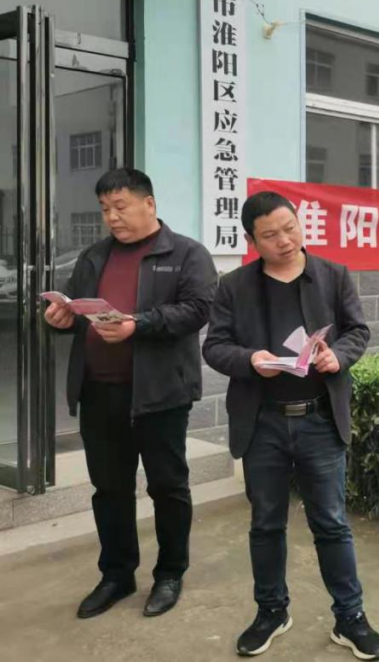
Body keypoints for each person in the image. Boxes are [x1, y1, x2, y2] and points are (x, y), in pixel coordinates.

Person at [202, 191, 379, 660]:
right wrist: (250, 360)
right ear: (251, 241)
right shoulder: (234, 286)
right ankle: (271, 611)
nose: (284, 240)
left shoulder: (333, 275)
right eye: (270, 235)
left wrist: (337, 356)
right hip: (262, 422)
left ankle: (350, 616)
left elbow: (358, 331)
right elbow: (214, 346)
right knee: (266, 524)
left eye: (290, 228)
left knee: (331, 523)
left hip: (319, 419)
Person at [43, 168, 217, 619]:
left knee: (168, 487)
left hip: (160, 394)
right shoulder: (94, 256)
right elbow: (78, 309)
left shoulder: (186, 253)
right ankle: (117, 575)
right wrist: (62, 319)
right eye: (105, 209)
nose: (112, 217)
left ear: (149, 204)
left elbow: (198, 309)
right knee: (109, 489)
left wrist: (138, 323)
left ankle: (170, 573)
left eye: (120, 207)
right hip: (100, 393)